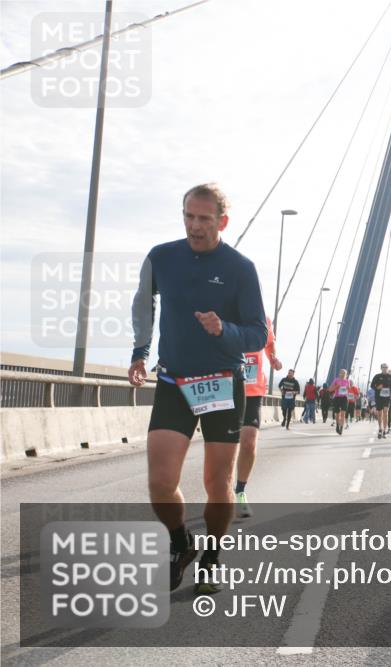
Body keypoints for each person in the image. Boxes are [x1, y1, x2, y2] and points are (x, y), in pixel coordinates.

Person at [129, 182, 267, 594]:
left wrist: (224, 330)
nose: (195, 225)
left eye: (204, 219)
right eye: (189, 216)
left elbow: (258, 334)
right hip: (173, 381)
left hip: (221, 383)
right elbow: (143, 302)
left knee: (218, 483)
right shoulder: (161, 257)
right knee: (160, 482)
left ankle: (212, 556)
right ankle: (180, 543)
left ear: (222, 222)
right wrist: (140, 351)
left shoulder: (240, 268)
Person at [236, 315, 281, 519]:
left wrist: (273, 358)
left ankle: (240, 491)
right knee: (223, 447)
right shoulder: (221, 306)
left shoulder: (264, 318)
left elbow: (269, 343)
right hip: (225, 387)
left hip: (252, 390)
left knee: (248, 443)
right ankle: (219, 492)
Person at [370, 363, 391, 438]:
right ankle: (380, 428)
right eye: (383, 367)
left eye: (386, 367)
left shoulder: (390, 376)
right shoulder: (377, 376)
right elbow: (372, 385)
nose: (385, 368)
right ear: (381, 368)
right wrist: (377, 387)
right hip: (379, 397)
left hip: (387, 397)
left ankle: (385, 430)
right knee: (380, 413)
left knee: (386, 412)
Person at [331, 369, 351, 435]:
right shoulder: (336, 380)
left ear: (346, 375)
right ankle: (337, 425)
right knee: (337, 414)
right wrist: (336, 386)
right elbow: (331, 388)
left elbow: (349, 389)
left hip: (344, 398)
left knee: (343, 414)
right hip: (337, 397)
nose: (342, 374)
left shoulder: (347, 381)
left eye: (344, 373)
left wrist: (348, 388)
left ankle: (341, 428)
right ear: (339, 374)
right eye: (341, 373)